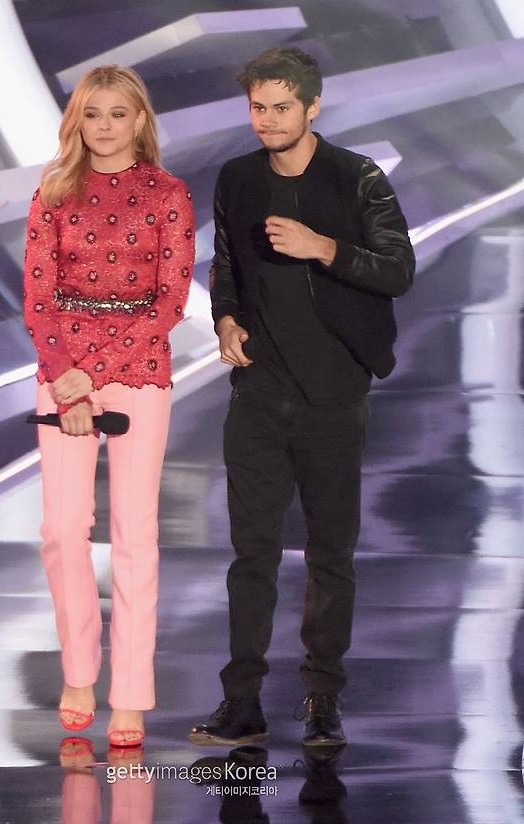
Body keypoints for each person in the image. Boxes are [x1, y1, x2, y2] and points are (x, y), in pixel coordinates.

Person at [190, 47, 415, 747]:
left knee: (330, 553)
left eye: (281, 107)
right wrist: (225, 320)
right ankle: (242, 701)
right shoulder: (238, 178)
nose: (267, 120)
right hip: (259, 392)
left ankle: (322, 698)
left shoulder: (356, 176)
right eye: (258, 107)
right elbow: (227, 266)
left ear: (313, 106)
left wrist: (324, 247)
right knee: (251, 553)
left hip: (333, 393)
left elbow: (398, 270)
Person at [23, 65, 194, 748]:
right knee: (63, 529)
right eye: (92, 114)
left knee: (134, 532)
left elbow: (171, 300)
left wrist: (88, 377)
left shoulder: (168, 194)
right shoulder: (53, 190)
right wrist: (67, 376)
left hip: (139, 369)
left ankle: (129, 694)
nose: (104, 126)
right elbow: (37, 295)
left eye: (117, 114)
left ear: (140, 120)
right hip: (61, 366)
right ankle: (77, 673)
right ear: (77, 121)